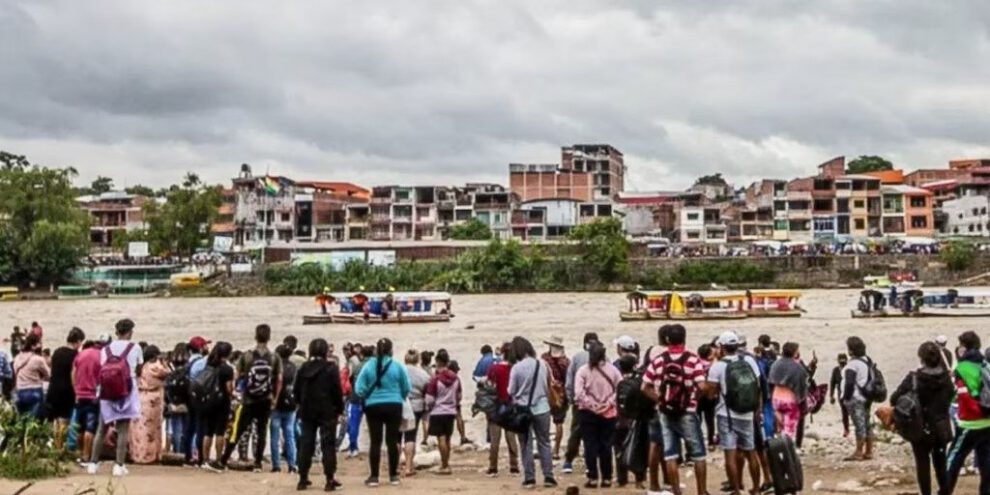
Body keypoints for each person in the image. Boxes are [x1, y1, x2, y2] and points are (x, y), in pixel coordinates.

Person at [642, 323, 708, 495]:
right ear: (684, 338)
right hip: (688, 411)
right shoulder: (693, 360)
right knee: (698, 454)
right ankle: (701, 491)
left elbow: (644, 387)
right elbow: (702, 386)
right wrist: (694, 399)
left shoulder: (658, 361)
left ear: (667, 340)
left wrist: (661, 399)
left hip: (665, 411)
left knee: (670, 453)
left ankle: (676, 490)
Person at [890, 342, 953, 495]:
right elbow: (951, 396)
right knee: (941, 462)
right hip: (941, 426)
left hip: (920, 427)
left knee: (922, 464)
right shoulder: (946, 379)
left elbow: (894, 398)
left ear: (921, 359)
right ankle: (945, 491)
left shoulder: (914, 378)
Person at [705, 331, 762, 495]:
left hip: (726, 415)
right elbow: (758, 387)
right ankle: (756, 489)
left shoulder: (717, 367)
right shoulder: (749, 360)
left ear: (721, 347)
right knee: (751, 452)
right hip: (748, 414)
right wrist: (757, 410)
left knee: (730, 453)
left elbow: (711, 394)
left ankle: (736, 489)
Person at [220, 324, 283, 471]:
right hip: (266, 399)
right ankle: (258, 463)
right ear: (269, 337)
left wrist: (237, 392)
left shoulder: (247, 356)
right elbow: (279, 379)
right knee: (261, 432)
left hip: (249, 399)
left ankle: (224, 458)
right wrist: (275, 398)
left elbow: (236, 375)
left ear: (255, 336)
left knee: (239, 429)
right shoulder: (274, 357)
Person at [87, 319, 143, 477]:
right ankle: (119, 465)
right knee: (123, 429)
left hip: (106, 391)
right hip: (127, 390)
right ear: (130, 331)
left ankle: (93, 463)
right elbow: (138, 368)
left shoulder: (106, 349)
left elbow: (103, 367)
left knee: (101, 428)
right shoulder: (135, 347)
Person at [355, 338, 411, 487]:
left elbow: (358, 388)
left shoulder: (368, 366)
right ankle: (393, 476)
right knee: (392, 441)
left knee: (375, 441)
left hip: (373, 406)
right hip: (394, 405)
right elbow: (407, 387)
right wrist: (399, 396)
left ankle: (374, 476)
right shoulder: (397, 366)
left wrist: (368, 394)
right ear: (391, 350)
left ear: (376, 351)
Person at [295, 338, 345, 492]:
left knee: (306, 443)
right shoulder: (331, 368)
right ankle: (329, 479)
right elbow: (337, 390)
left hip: (307, 410)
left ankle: (303, 478)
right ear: (325, 351)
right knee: (328, 445)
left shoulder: (304, 368)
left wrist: (299, 404)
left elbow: (296, 390)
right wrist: (340, 408)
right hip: (327, 410)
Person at [508, 336, 557, 489]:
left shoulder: (517, 368)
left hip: (523, 410)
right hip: (542, 408)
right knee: (544, 442)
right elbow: (549, 384)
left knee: (525, 445)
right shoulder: (543, 364)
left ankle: (529, 478)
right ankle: (549, 476)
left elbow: (511, 391)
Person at [946, 330, 990, 494]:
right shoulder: (986, 365)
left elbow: (963, 395)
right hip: (988, 421)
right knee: (985, 459)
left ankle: (945, 490)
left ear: (963, 347)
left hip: (969, 422)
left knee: (954, 458)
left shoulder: (962, 368)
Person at [575, 341, 622, 489]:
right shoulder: (613, 370)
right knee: (606, 445)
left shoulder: (583, 371)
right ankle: (607, 478)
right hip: (608, 413)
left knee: (590, 445)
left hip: (587, 413)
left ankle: (593, 477)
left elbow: (578, 393)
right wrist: (607, 403)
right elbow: (619, 389)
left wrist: (592, 405)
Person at [563, 331, 599, 474]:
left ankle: (568, 461)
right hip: (598, 403)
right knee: (595, 433)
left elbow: (569, 381)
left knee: (576, 432)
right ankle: (591, 462)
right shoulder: (605, 359)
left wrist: (571, 398)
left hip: (580, 403)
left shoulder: (577, 358)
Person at [130, 345, 171, 464]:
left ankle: (137, 454)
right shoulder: (155, 366)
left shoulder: (140, 367)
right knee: (151, 430)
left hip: (140, 397)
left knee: (139, 428)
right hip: (153, 399)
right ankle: (150, 456)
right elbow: (167, 372)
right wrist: (164, 362)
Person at [195, 342, 234, 470]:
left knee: (208, 431)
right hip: (222, 401)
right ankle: (218, 459)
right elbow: (229, 388)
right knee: (220, 431)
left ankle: (205, 459)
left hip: (208, 400)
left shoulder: (209, 364)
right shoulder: (227, 369)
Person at [485, 342, 520, 477]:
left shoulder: (494, 368)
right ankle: (514, 466)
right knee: (511, 437)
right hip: (511, 405)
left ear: (503, 353)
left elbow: (489, 387)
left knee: (495, 438)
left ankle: (493, 466)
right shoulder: (515, 369)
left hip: (496, 405)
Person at [47, 327, 85, 449]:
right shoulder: (75, 355)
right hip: (67, 390)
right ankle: (61, 445)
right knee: (65, 419)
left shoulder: (57, 352)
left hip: (53, 388)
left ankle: (55, 443)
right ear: (78, 341)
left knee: (56, 419)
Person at [425, 349, 461, 475]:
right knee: (448, 438)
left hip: (437, 410)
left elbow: (429, 399)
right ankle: (447, 462)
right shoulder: (455, 378)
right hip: (451, 411)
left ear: (438, 362)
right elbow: (459, 395)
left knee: (441, 437)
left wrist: (431, 406)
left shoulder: (435, 379)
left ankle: (444, 464)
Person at [73, 334, 108, 464]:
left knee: (80, 427)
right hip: (94, 395)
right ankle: (87, 456)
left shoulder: (81, 354)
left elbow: (74, 373)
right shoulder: (102, 356)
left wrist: (76, 390)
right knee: (90, 427)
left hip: (80, 395)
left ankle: (80, 453)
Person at [840, 336, 875, 462]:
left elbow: (849, 383)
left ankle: (859, 451)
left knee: (859, 424)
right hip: (866, 396)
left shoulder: (853, 365)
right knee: (867, 423)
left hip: (855, 397)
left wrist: (845, 397)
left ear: (851, 350)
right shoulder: (866, 361)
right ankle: (869, 450)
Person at [768, 342, 809, 439]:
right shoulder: (798, 368)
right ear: (795, 353)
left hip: (776, 397)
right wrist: (803, 403)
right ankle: (786, 449)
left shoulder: (775, 364)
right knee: (789, 429)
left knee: (779, 426)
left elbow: (770, 382)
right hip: (789, 399)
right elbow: (801, 387)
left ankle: (777, 447)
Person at [541, 336, 570, 461]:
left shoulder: (544, 359)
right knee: (559, 422)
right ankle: (556, 450)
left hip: (546, 392)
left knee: (544, 422)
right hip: (561, 394)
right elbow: (568, 379)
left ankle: (545, 448)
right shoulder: (566, 362)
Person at [183, 336, 211, 465]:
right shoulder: (202, 362)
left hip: (189, 396)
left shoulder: (188, 361)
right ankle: (199, 456)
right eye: (205, 345)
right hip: (199, 397)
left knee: (189, 427)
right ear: (200, 348)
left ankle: (188, 455)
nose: (207, 347)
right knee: (201, 427)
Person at [270, 344, 298, 473]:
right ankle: (292, 464)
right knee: (290, 435)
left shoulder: (275, 368)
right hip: (291, 403)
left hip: (277, 404)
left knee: (275, 436)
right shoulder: (293, 367)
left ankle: (276, 465)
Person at [403, 349, 431, 477]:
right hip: (416, 406)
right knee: (411, 436)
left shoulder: (399, 370)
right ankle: (409, 466)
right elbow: (428, 391)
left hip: (400, 403)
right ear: (417, 360)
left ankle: (395, 466)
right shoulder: (423, 374)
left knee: (397, 436)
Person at [13, 333, 49, 419]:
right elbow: (48, 374)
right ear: (34, 345)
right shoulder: (38, 359)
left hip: (19, 392)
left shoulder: (17, 358)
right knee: (34, 422)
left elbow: (15, 372)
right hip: (34, 391)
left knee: (22, 423)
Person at [697, 343, 718, 449]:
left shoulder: (697, 364)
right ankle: (711, 442)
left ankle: (698, 441)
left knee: (697, 420)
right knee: (710, 420)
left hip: (698, 396)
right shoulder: (712, 366)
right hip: (710, 395)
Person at [829, 353, 851, 437]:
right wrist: (831, 395)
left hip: (850, 393)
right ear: (838, 361)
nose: (842, 362)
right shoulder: (836, 370)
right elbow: (832, 383)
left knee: (852, 411)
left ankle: (856, 428)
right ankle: (846, 429)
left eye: (844, 360)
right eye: (840, 360)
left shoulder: (850, 369)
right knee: (844, 412)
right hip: (840, 393)